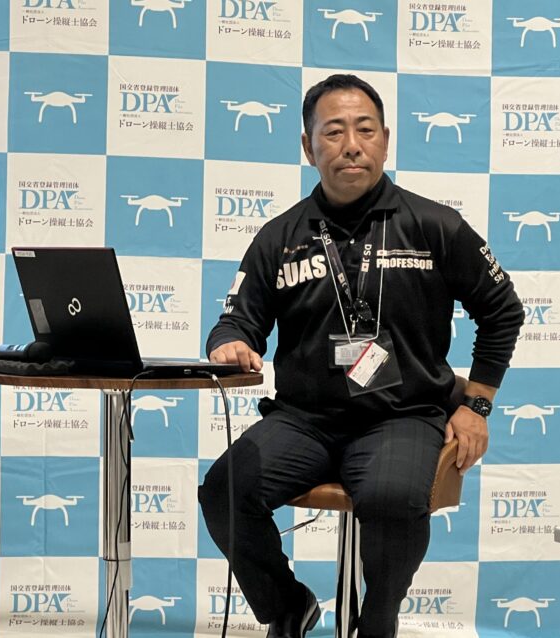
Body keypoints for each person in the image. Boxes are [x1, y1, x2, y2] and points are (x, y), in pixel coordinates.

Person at [198, 74, 524, 638]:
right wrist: (231, 342)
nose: (351, 145)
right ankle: (287, 606)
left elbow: (503, 312)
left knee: (392, 496)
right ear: (308, 147)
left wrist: (476, 406)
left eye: (365, 130)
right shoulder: (279, 237)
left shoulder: (436, 226)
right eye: (334, 132)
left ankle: (377, 620)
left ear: (385, 141)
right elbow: (236, 320)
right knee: (225, 490)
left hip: (403, 415)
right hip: (303, 421)